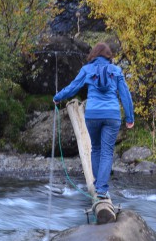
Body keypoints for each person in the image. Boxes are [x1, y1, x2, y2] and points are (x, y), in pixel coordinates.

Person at [53, 42, 134, 200]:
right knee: (107, 152)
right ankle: (102, 189)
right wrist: (130, 118)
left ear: (93, 55)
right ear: (108, 55)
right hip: (112, 115)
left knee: (96, 149)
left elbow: (73, 87)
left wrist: (58, 97)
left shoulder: (87, 69)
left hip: (93, 115)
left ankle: (98, 185)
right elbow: (125, 95)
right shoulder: (116, 70)